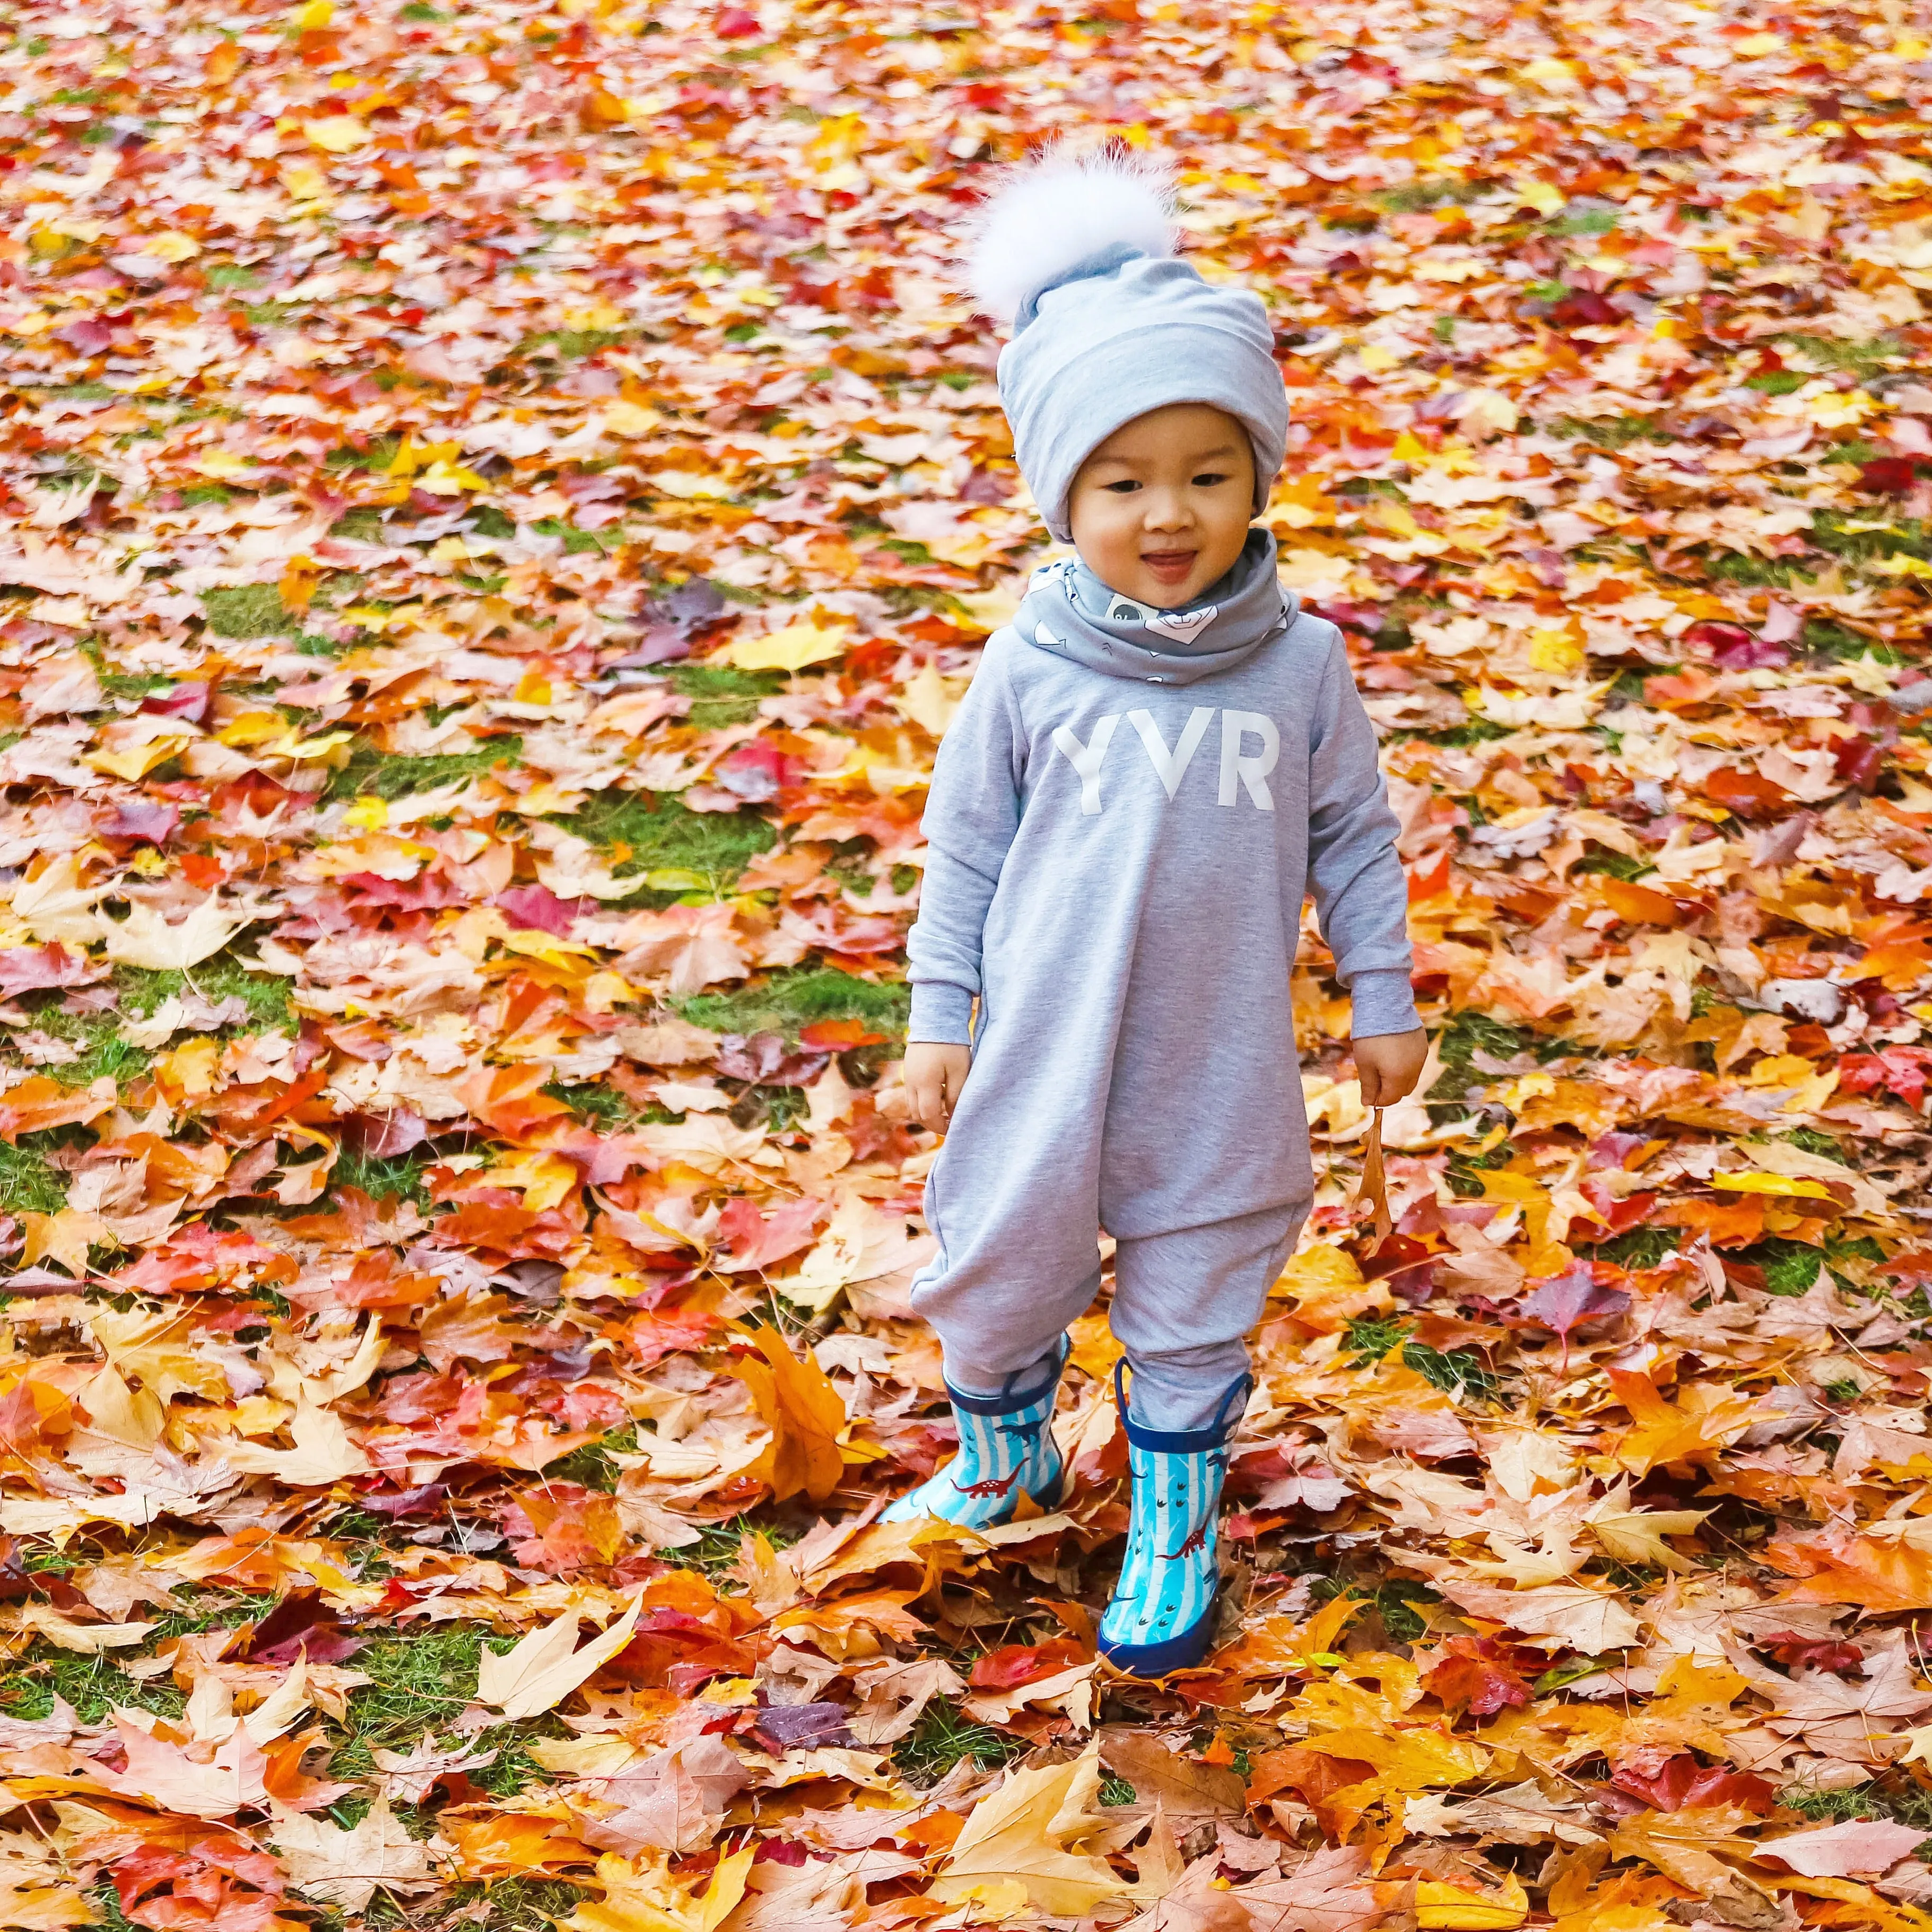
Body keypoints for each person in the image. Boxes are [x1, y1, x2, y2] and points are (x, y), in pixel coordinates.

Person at [887, 144, 1429, 1677]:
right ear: (1064, 495)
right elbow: (964, 851)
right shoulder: (1032, 666)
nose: (1169, 513)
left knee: (1198, 1287)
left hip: (1220, 1058)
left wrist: (1378, 992)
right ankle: (1006, 1457)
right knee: (998, 1267)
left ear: (1262, 473)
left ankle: (1174, 1522)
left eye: (1208, 471)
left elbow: (1356, 836)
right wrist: (940, 1022)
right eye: (1123, 482)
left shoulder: (1299, 665)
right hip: (1047, 1048)